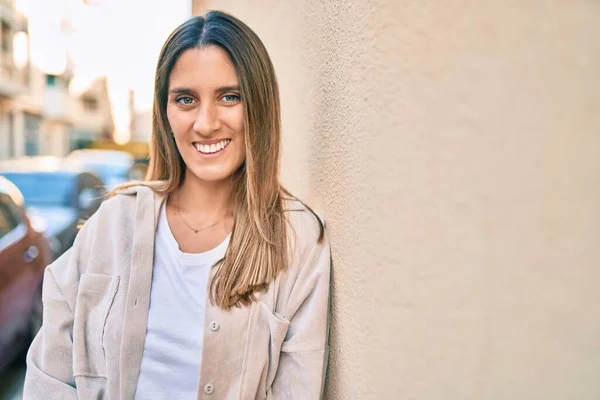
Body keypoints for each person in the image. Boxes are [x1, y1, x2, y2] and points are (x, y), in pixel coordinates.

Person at [23, 10, 331, 400]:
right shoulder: (114, 222)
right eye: (186, 99)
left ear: (260, 106)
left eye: (230, 97)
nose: (205, 123)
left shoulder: (299, 239)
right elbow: (48, 377)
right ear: (165, 113)